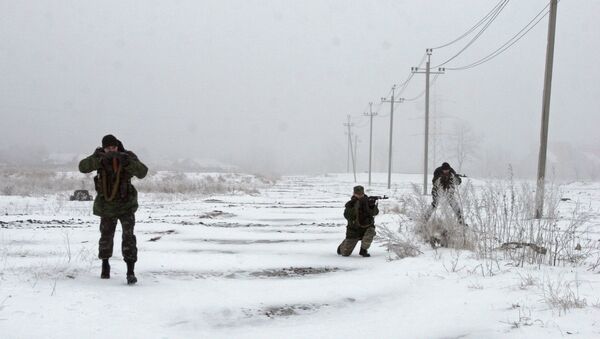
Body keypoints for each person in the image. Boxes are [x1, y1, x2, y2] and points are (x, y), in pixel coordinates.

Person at [79, 134, 148, 285]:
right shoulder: (99, 156)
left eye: (114, 147)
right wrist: (99, 160)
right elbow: (82, 167)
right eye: (108, 148)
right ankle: (105, 264)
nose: (112, 150)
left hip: (126, 205)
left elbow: (143, 172)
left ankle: (130, 271)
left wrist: (128, 162)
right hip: (107, 206)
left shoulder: (127, 156)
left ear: (117, 146)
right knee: (106, 237)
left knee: (128, 238)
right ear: (104, 147)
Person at [337, 185, 379, 257]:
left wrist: (372, 206)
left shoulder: (368, 202)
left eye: (361, 194)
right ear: (354, 193)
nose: (360, 196)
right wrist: (354, 205)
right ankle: (341, 247)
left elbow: (375, 213)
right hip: (354, 230)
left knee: (371, 231)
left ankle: (363, 250)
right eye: (358, 194)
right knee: (345, 253)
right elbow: (347, 216)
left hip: (367, 227)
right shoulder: (350, 204)